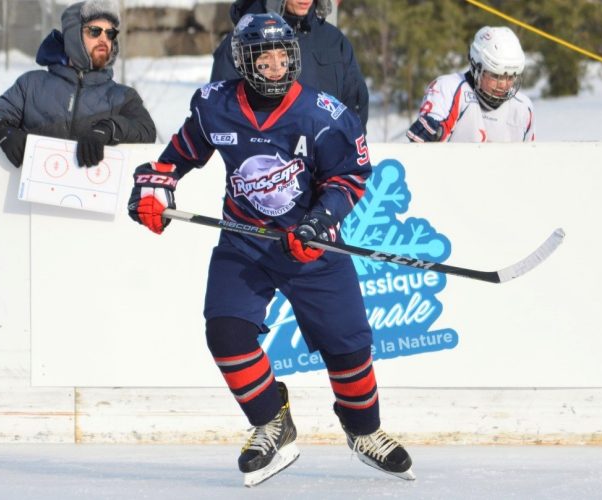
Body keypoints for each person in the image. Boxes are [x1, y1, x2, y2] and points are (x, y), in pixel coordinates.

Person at [127, 13, 414, 487]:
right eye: (267, 57)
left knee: (349, 349)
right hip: (245, 242)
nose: (278, 66)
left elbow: (350, 177)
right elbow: (177, 156)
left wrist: (318, 223)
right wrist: (155, 186)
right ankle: (271, 422)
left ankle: (364, 431)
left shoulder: (323, 113)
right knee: (225, 333)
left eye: (285, 56)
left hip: (312, 244)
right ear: (244, 61)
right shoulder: (214, 106)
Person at [0, 0, 156, 168]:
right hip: (30, 200)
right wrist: (2, 131)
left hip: (94, 199)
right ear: (73, 36)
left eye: (110, 33)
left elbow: (146, 131)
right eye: (94, 31)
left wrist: (109, 128)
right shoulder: (31, 85)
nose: (104, 39)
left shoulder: (122, 96)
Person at [210, 0, 369, 130]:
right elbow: (221, 105)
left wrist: (348, 144)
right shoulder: (243, 41)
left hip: (326, 155)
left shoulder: (334, 40)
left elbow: (354, 99)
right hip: (267, 159)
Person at [407, 26, 534, 143]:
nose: (503, 85)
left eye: (510, 77)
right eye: (495, 76)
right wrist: (432, 132)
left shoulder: (523, 108)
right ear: (476, 68)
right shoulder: (449, 88)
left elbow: (529, 159)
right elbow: (424, 142)